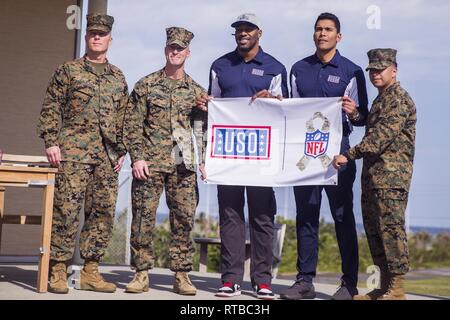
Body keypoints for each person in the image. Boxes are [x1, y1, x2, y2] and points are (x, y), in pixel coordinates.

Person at [197, 13, 288, 300]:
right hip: (229, 154)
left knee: (262, 218)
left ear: (259, 32)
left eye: (248, 29)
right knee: (231, 216)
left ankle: (262, 281)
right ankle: (231, 280)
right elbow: (211, 108)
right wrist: (204, 104)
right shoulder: (220, 65)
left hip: (262, 156)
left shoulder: (275, 67)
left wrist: (275, 102)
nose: (243, 33)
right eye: (238, 29)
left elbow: (286, 111)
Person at [280, 12, 368, 300]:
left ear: (338, 36)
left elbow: (363, 117)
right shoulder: (298, 69)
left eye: (328, 29)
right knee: (306, 217)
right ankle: (305, 281)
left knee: (343, 218)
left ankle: (349, 284)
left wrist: (353, 112)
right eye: (318, 29)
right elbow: (289, 111)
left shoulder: (352, 71)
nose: (322, 33)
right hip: (304, 156)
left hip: (338, 156)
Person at [37, 13, 128, 294]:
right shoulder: (68, 70)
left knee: (101, 214)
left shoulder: (117, 76)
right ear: (87, 37)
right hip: (72, 153)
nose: (97, 37)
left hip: (107, 158)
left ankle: (90, 271)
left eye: (102, 34)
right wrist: (51, 141)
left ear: (110, 39)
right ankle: (58, 271)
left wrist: (122, 149)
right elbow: (51, 106)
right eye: (93, 33)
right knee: (66, 212)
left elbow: (126, 116)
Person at [124, 27, 207, 295]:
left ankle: (182, 275)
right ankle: (141, 273)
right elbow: (132, 125)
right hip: (150, 164)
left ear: (188, 53)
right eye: (172, 47)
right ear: (165, 50)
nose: (175, 52)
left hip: (183, 165)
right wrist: (137, 158)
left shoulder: (197, 91)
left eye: (180, 48)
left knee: (183, 219)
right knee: (143, 219)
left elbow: (201, 129)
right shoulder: (146, 85)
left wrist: (203, 160)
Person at [333, 48, 416, 300]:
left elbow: (380, 138)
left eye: (381, 69)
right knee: (375, 231)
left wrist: (349, 154)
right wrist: (356, 114)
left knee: (390, 230)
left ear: (394, 70)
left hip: (392, 178)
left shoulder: (399, 99)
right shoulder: (382, 98)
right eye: (373, 70)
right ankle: (384, 286)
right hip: (373, 178)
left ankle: (397, 288)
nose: (376, 74)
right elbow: (371, 125)